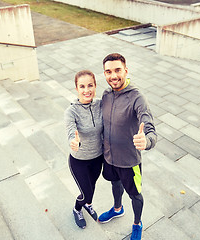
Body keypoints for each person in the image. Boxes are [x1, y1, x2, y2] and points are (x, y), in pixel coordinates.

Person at [98, 53, 157, 240]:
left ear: (126, 71)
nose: (113, 76)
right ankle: (117, 209)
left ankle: (137, 223)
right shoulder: (106, 94)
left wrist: (146, 141)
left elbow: (149, 127)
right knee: (114, 184)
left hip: (129, 161)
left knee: (135, 194)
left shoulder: (137, 97)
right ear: (104, 74)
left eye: (117, 70)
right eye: (108, 71)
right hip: (109, 157)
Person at [64, 70, 104, 229]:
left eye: (90, 85)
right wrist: (73, 141)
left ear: (95, 86)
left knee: (92, 187)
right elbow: (70, 131)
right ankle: (77, 208)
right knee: (86, 192)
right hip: (79, 161)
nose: (86, 90)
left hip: (97, 158)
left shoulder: (100, 104)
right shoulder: (71, 111)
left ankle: (88, 204)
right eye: (82, 86)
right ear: (76, 89)